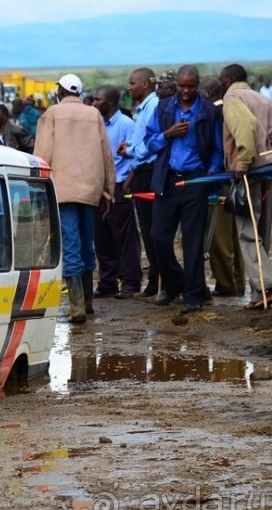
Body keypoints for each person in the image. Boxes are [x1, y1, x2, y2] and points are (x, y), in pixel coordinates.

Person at [34, 74, 116, 323]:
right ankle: (87, 302)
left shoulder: (52, 114)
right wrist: (108, 191)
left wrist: (38, 189)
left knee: (70, 245)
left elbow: (42, 154)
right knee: (86, 244)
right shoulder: (94, 115)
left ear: (60, 91)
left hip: (63, 190)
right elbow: (106, 155)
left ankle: (77, 306)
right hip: (91, 190)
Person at [144, 65, 223, 314]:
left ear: (197, 85)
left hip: (195, 181)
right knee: (158, 237)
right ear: (175, 84)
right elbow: (149, 143)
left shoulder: (209, 111)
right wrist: (167, 134)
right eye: (181, 86)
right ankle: (175, 282)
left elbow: (218, 148)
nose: (185, 91)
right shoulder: (163, 108)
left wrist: (212, 170)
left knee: (193, 242)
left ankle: (194, 294)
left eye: (190, 86)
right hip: (167, 180)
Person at [219, 63, 272, 308]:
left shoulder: (232, 98)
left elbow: (247, 126)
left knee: (248, 233)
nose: (220, 84)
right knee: (260, 232)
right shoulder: (261, 98)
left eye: (221, 80)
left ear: (229, 79)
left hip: (248, 172)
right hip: (267, 170)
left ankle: (267, 285)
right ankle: (258, 294)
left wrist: (242, 162)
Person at [92, 85, 142, 299]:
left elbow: (137, 155)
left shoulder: (126, 125)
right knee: (102, 238)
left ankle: (131, 282)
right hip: (100, 188)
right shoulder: (98, 124)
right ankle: (107, 282)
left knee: (125, 238)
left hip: (120, 187)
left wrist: (128, 183)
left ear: (111, 101)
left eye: (98, 100)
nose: (94, 103)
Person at [198, 76, 245, 298]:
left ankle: (226, 284)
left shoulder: (215, 113)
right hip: (232, 182)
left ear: (208, 93)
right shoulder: (228, 109)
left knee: (219, 239)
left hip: (218, 183)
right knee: (234, 236)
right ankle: (238, 281)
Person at [118, 67, 161, 298]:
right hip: (141, 172)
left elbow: (153, 144)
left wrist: (131, 151)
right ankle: (154, 279)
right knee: (147, 229)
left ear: (145, 84)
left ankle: (160, 280)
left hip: (151, 173)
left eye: (132, 83)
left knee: (154, 230)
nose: (129, 87)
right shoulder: (143, 108)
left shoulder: (153, 106)